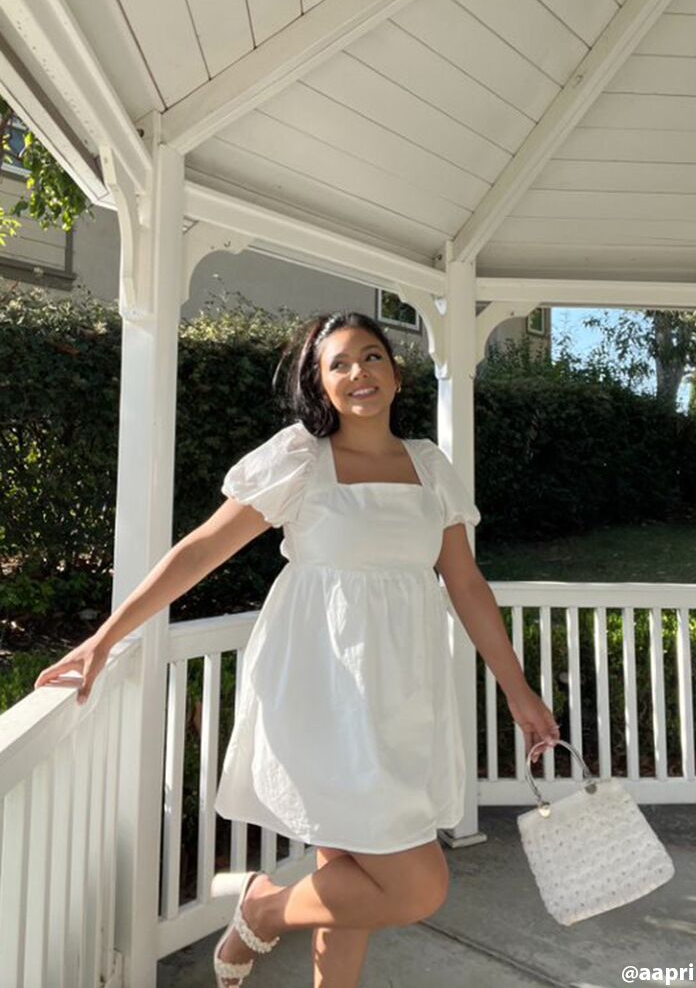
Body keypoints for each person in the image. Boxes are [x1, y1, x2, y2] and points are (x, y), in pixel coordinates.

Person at [35, 310, 560, 988]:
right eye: (337, 363)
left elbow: (466, 583)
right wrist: (108, 636)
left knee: (351, 879)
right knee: (417, 885)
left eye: (371, 357)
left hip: (402, 699)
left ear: (396, 374)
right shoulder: (301, 458)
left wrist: (518, 689)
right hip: (321, 691)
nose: (357, 373)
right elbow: (202, 548)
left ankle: (263, 911)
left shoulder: (430, 465)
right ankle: (267, 910)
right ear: (319, 383)